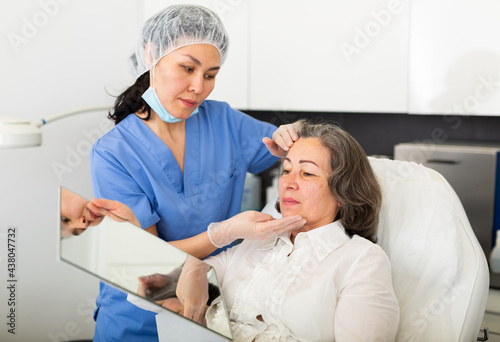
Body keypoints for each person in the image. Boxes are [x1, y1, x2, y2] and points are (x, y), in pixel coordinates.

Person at [89, 4, 304, 341]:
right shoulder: (113, 153)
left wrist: (294, 133)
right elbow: (150, 259)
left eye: (210, 75)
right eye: (187, 68)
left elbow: (290, 149)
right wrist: (225, 232)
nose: (198, 87)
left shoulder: (223, 120)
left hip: (211, 310)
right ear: (151, 55)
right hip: (139, 318)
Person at [138, 121, 400, 341]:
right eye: (286, 170)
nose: (288, 183)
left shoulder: (361, 259)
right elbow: (178, 281)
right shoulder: (256, 244)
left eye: (307, 173)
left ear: (343, 192)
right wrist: (187, 271)